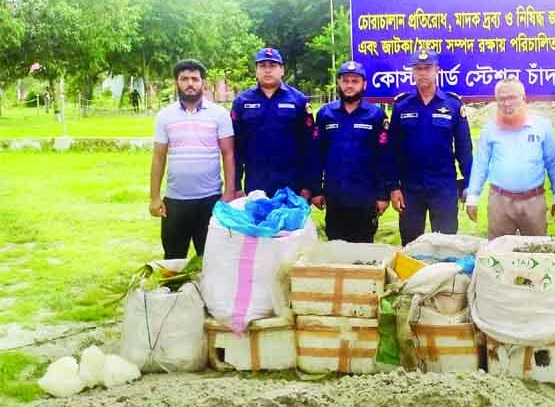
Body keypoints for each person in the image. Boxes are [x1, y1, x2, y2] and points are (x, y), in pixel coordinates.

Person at [149, 59, 236, 258]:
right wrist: (154, 198)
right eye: (184, 79)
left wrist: (229, 192)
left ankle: (206, 291)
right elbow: (158, 157)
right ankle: (173, 290)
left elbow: (229, 154)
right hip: (175, 201)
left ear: (203, 83)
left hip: (210, 201)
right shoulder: (165, 116)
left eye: (195, 79)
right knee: (173, 259)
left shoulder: (219, 114)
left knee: (210, 260)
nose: (190, 83)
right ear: (176, 83)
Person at [388, 49, 472, 246]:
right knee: (410, 244)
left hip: (444, 187)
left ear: (437, 70)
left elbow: (464, 148)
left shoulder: (452, 104)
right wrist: (393, 187)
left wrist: (469, 183)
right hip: (410, 189)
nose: (423, 73)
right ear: (412, 72)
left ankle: (444, 277)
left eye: (427, 68)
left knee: (446, 244)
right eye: (418, 69)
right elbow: (392, 150)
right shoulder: (402, 106)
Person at [465, 78, 555, 239]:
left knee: (535, 252)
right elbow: (480, 165)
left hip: (534, 201)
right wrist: (473, 197)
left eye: (512, 97)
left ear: (523, 98)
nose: (507, 103)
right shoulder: (489, 130)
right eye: (502, 99)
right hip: (499, 202)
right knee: (498, 254)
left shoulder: (542, 126)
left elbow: (552, 163)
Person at [310, 61, 390, 242]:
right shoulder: (325, 114)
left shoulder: (376, 115)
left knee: (364, 252)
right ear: (339, 83)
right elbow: (316, 155)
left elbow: (384, 158)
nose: (350, 85)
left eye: (355, 81)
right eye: (345, 80)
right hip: (335, 196)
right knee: (336, 249)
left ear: (364, 84)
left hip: (365, 197)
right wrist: (316, 190)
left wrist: (383, 194)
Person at [230, 47, 314, 198]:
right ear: (256, 70)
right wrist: (236, 186)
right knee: (257, 221)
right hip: (255, 185)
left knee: (291, 222)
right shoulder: (242, 102)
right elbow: (236, 148)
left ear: (282, 70)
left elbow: (309, 147)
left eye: (273, 66)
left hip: (292, 185)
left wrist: (308, 186)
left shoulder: (298, 101)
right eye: (262, 66)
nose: (267, 70)